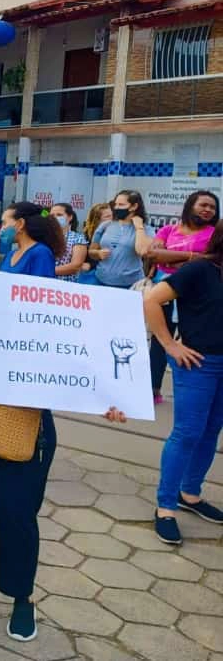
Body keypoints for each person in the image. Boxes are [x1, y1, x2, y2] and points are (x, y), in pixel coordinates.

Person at [0, 213, 126, 641]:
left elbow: (75, 349)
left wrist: (111, 394)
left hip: (19, 412)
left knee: (16, 511)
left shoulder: (30, 295)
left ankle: (22, 596)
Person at [145, 220, 223, 546]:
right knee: (188, 432)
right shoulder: (200, 270)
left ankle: (189, 493)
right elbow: (151, 300)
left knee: (211, 430)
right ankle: (165, 506)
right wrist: (170, 345)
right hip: (198, 363)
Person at [148, 191, 219, 405]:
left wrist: (172, 259)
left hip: (196, 295)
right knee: (161, 342)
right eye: (203, 205)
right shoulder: (169, 229)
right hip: (164, 292)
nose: (207, 210)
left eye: (212, 207)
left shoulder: (214, 233)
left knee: (190, 341)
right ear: (190, 206)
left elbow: (211, 259)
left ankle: (190, 390)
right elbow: (153, 254)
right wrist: (192, 257)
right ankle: (153, 389)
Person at [87, 190, 154, 288]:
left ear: (134, 207)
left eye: (121, 205)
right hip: (101, 281)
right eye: (116, 204)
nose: (116, 208)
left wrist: (139, 227)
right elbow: (91, 252)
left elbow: (142, 251)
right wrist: (98, 253)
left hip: (130, 285)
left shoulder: (146, 229)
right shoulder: (105, 225)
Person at [0, 202, 63, 278]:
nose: (2, 229)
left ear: (20, 224)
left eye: (4, 223)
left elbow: (41, 287)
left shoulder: (41, 253)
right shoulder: (10, 255)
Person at [50, 203, 88, 281]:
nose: (55, 218)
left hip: (66, 286)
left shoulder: (77, 238)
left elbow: (75, 266)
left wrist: (47, 270)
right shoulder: (43, 236)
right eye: (52, 215)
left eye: (59, 215)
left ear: (70, 217)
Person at [80, 202, 113, 281]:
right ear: (97, 220)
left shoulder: (115, 234)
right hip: (91, 277)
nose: (112, 219)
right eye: (107, 216)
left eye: (113, 215)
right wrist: (90, 265)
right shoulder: (84, 237)